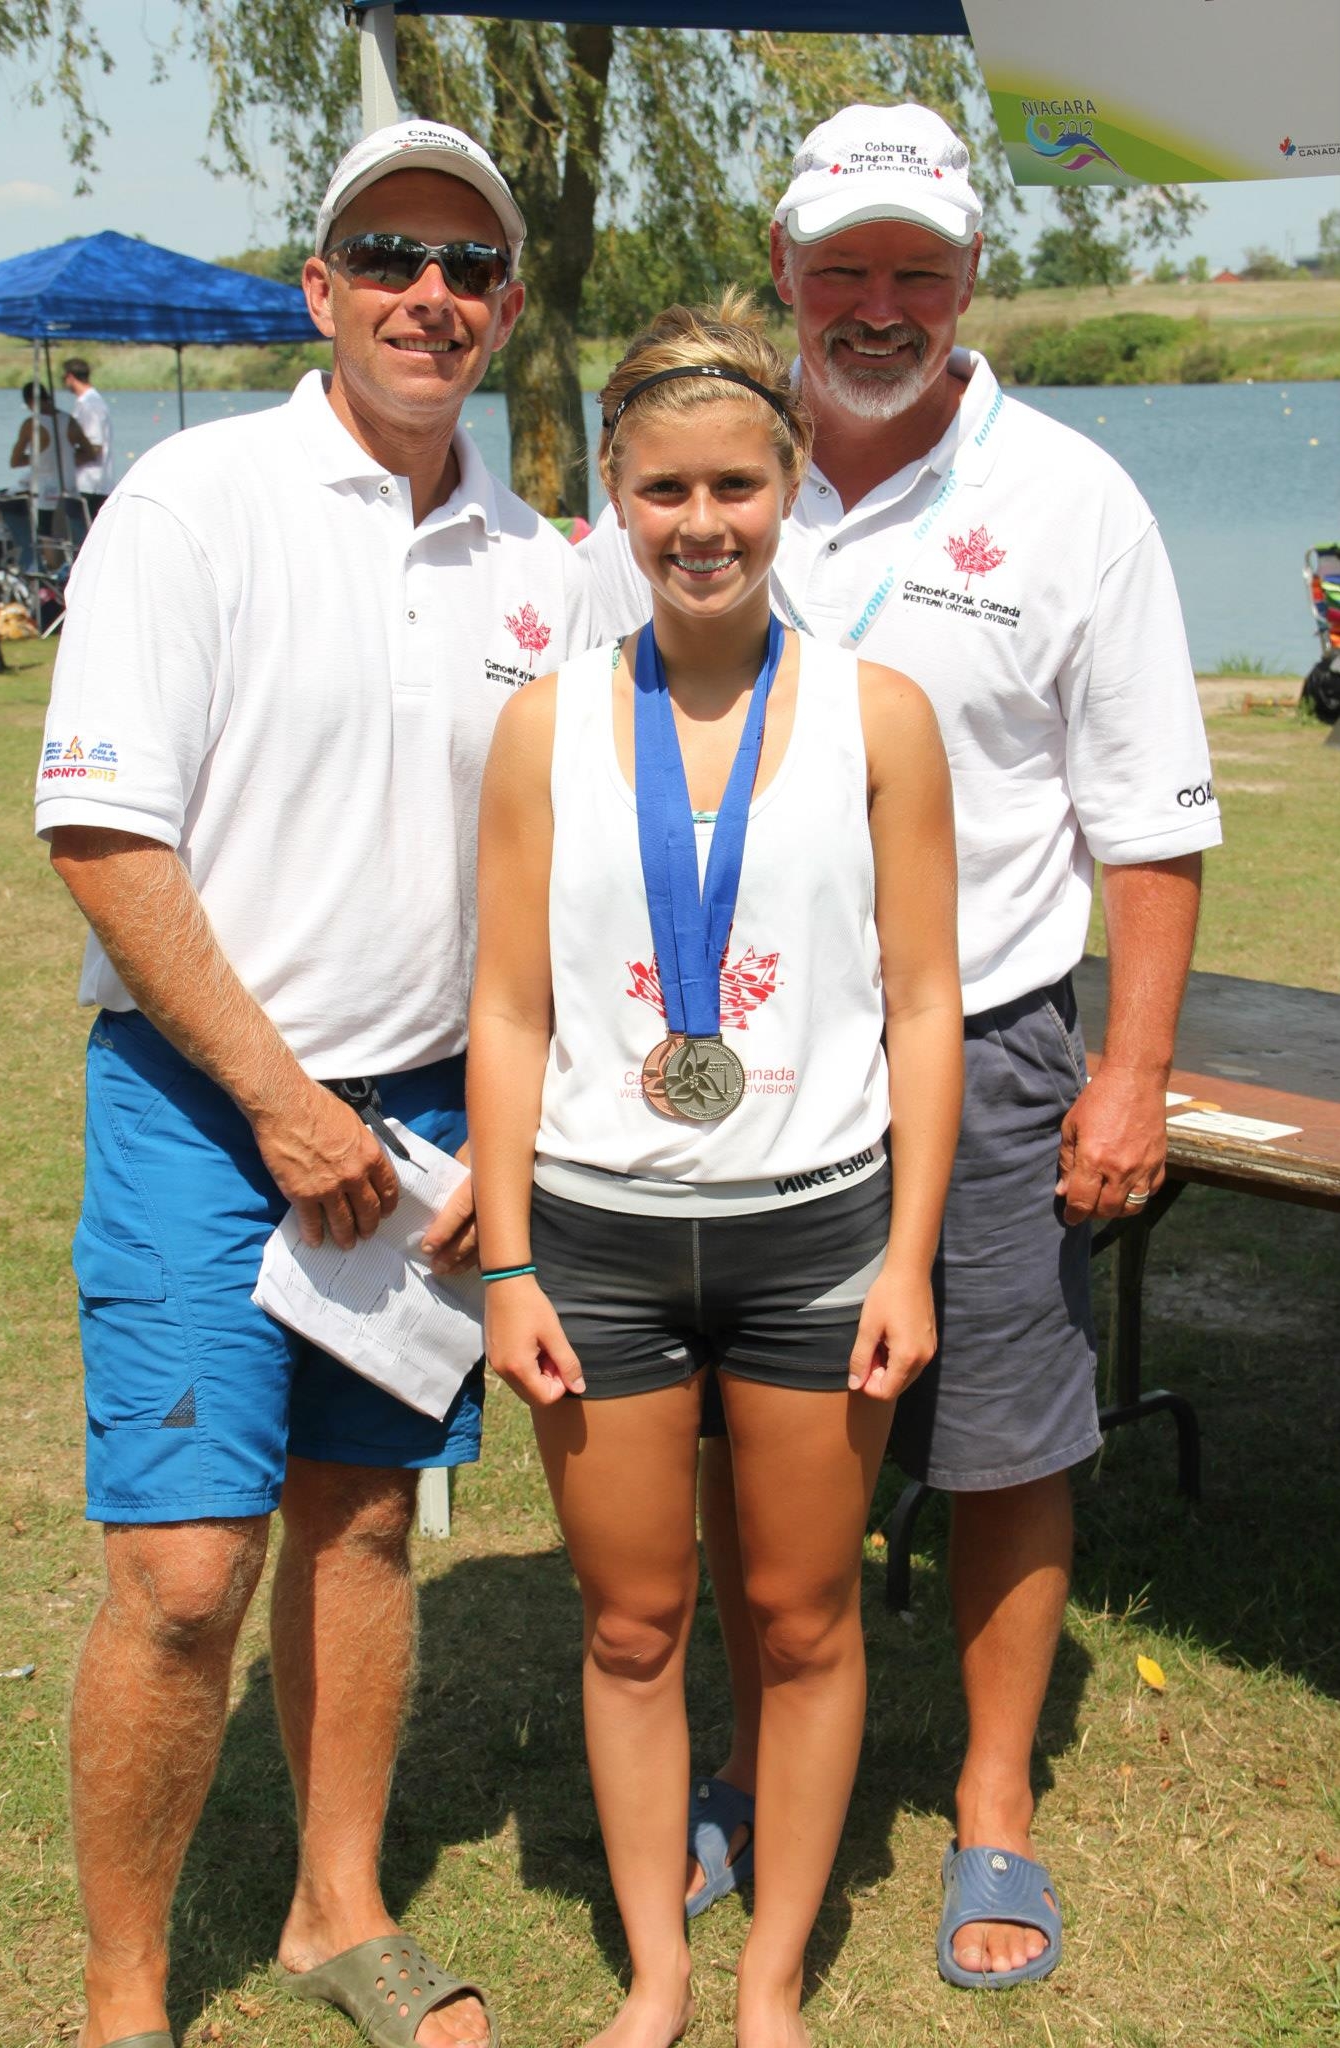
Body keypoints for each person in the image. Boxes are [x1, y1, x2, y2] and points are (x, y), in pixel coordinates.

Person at [579, 101, 1222, 1989]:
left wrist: (1130, 1069)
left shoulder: (1075, 495)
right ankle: (731, 1757)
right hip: (724, 1056)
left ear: (968, 279)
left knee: (1005, 1427)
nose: (877, 305)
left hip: (996, 1037)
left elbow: (1154, 818)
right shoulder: (698, 463)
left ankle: (995, 1797)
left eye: (914, 272)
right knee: (731, 1416)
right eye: (842, 269)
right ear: (784, 268)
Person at [36, 117, 590, 2048]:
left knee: (360, 1526)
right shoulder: (194, 501)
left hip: (425, 1114)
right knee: (188, 1571)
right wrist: (279, 1101)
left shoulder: (546, 562)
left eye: (464, 263)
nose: (427, 291)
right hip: (210, 1102)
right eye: (388, 253)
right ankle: (123, 1995)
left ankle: (330, 1912)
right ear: (322, 290)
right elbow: (104, 832)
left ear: (505, 309)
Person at [469, 293, 963, 2048]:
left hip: (818, 1231)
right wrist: (509, 1261)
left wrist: (910, 1257)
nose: (701, 523)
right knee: (631, 1623)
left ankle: (768, 1988)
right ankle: (659, 1979)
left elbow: (921, 1003)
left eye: (737, 484)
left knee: (803, 1612)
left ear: (794, 479)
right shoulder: (543, 728)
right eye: (664, 486)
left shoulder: (878, 716)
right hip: (598, 1245)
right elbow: (511, 1012)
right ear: (611, 492)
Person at [10, 380, 95, 511]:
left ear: (31, 401)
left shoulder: (31, 424)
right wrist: (66, 458)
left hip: (45, 496)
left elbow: (15, 461)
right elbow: (90, 454)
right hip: (70, 491)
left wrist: (40, 458)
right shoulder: (70, 421)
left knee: (44, 530)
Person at [63, 357, 116, 505]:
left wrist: (65, 463)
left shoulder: (91, 405)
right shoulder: (84, 403)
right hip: (85, 482)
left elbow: (94, 447)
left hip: (92, 484)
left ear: (70, 377)